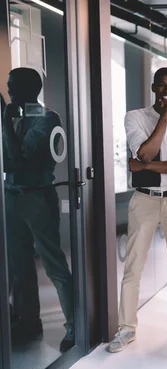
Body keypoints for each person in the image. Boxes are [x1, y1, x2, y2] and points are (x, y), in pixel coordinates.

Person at [107, 67, 167, 353]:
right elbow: (146, 151)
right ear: (153, 87)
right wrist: (163, 120)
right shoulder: (135, 117)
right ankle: (126, 329)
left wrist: (145, 167)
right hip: (145, 200)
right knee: (133, 266)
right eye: (162, 85)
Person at [2, 67, 75, 352]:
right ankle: (29, 320)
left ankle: (73, 326)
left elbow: (20, 160)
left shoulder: (47, 118)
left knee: (54, 264)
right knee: (19, 265)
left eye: (12, 85)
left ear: (29, 88)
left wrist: (7, 125)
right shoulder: (15, 116)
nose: (8, 91)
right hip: (12, 195)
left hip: (37, 198)